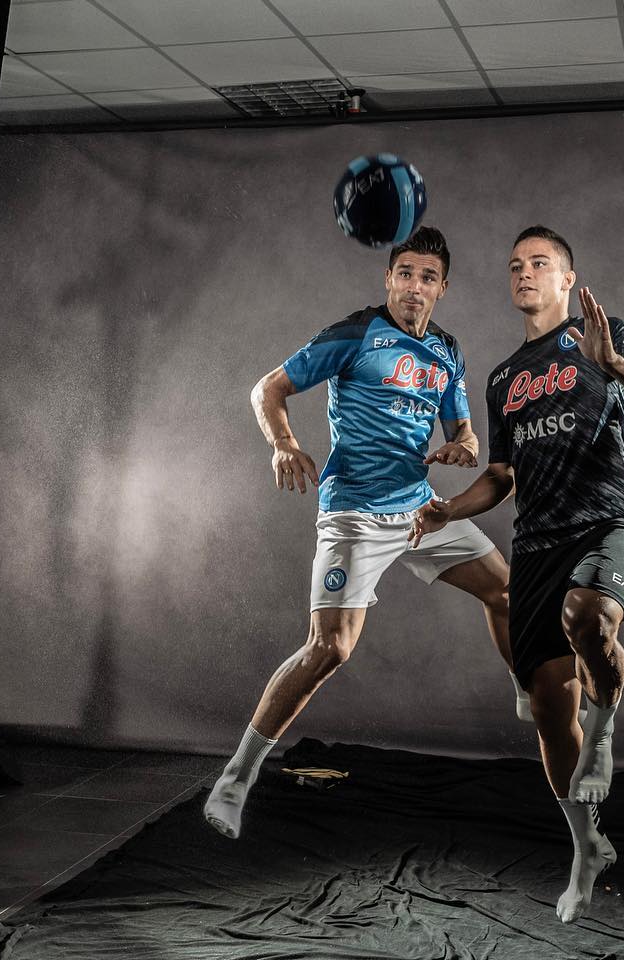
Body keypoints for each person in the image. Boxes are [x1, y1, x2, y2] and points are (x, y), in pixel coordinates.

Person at [203, 226, 518, 840]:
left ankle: (525, 692)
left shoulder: (448, 351)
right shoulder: (355, 333)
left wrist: (461, 446)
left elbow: (466, 434)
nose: (413, 287)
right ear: (388, 279)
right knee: (330, 649)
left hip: (420, 511)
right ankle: (236, 778)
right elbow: (268, 388)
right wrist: (285, 445)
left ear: (441, 288)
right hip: (355, 512)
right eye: (404, 273)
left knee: (508, 594)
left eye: (427, 277)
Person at [412, 225, 624, 922]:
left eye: (539, 263)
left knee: (588, 617)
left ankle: (607, 735)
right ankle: (587, 846)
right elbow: (499, 476)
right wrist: (446, 511)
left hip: (609, 521)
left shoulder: (604, 333)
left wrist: (614, 363)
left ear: (567, 278)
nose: (523, 274)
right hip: (537, 545)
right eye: (513, 266)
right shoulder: (503, 377)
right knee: (546, 710)